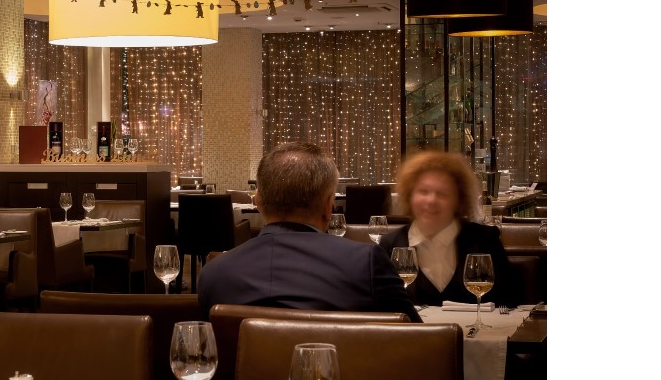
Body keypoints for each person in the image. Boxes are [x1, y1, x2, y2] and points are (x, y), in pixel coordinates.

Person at [197, 142, 420, 322]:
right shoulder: (366, 263)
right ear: (328, 207)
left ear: (258, 203)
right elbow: (416, 342)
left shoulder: (215, 274)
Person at [379, 151, 518, 308]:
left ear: (459, 200)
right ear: (409, 197)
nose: (431, 200)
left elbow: (509, 302)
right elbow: (382, 307)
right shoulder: (389, 245)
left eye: (442, 193)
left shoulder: (485, 240)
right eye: (423, 191)